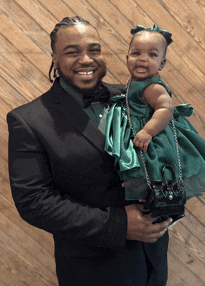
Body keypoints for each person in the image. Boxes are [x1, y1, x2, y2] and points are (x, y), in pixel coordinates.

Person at [7, 17, 172, 286]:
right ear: (55, 58)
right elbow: (34, 202)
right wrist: (119, 225)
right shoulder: (28, 120)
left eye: (94, 50)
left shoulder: (136, 98)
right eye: (72, 52)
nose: (86, 59)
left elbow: (169, 150)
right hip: (93, 271)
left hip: (153, 261)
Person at [105, 24, 205, 209]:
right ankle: (144, 194)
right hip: (139, 128)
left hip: (155, 135)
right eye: (136, 54)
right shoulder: (137, 81)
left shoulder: (153, 87)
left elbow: (166, 108)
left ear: (162, 63)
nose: (142, 60)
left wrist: (148, 131)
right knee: (142, 167)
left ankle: (153, 194)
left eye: (152, 55)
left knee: (152, 166)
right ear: (127, 58)